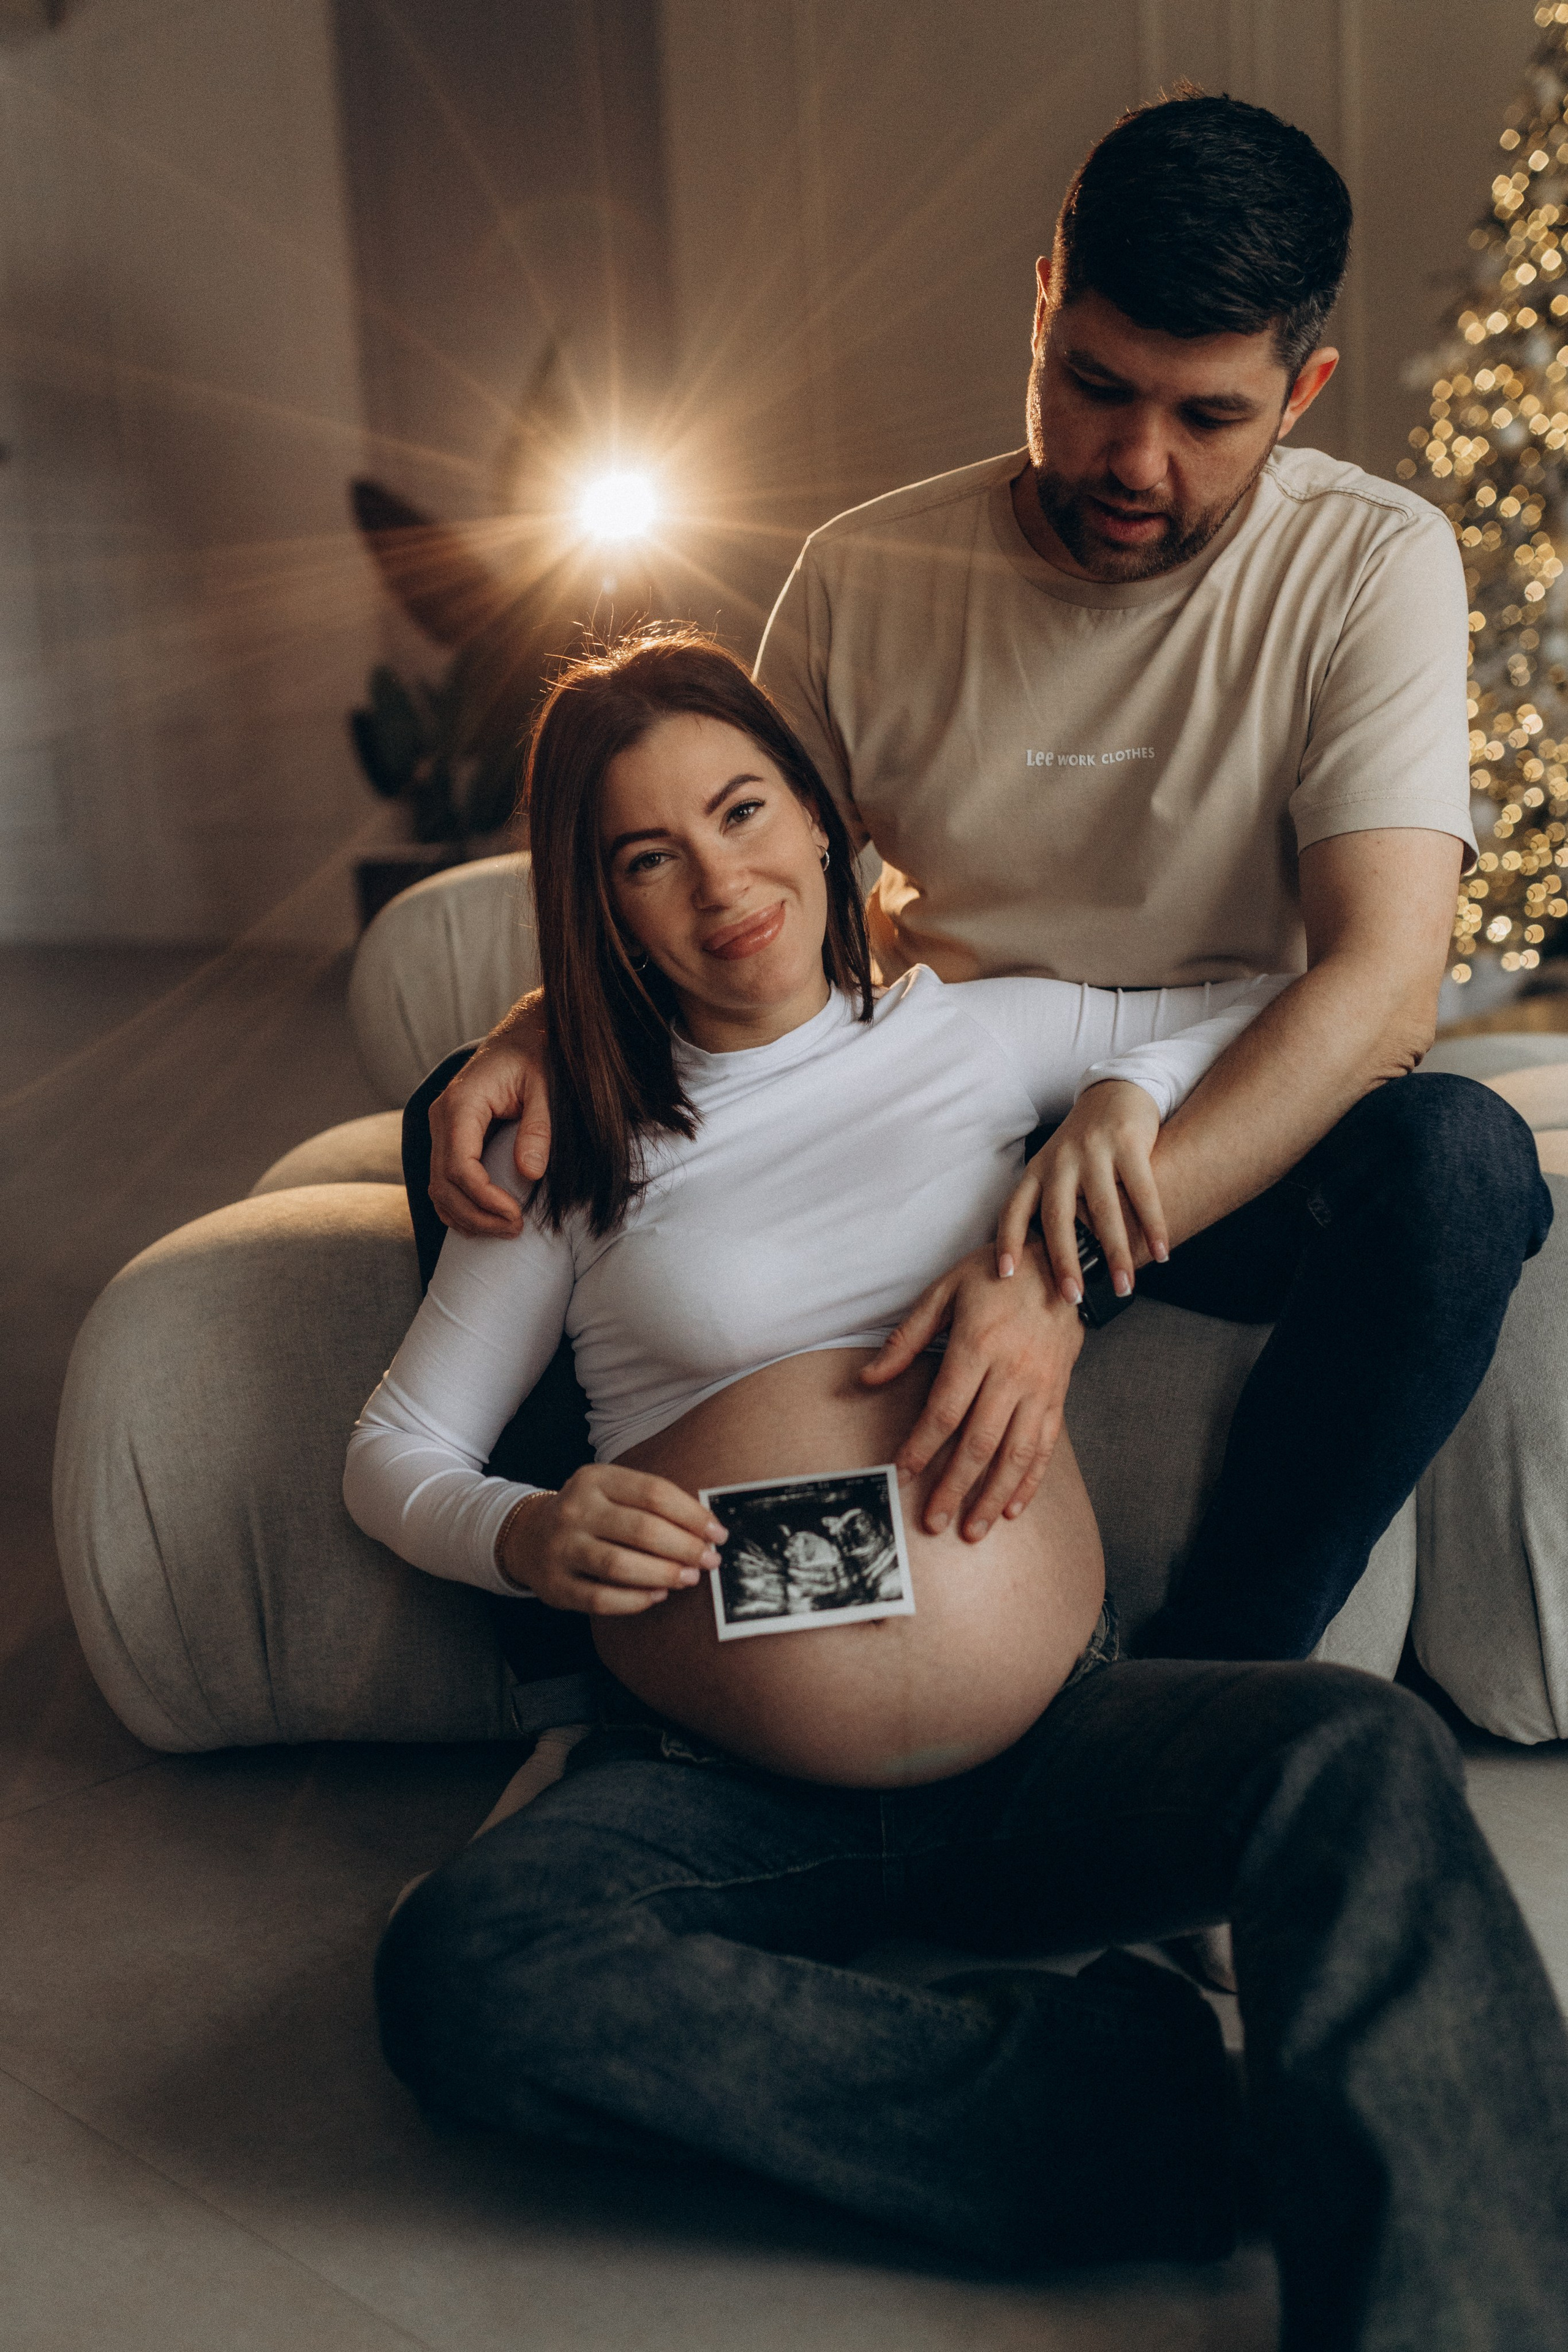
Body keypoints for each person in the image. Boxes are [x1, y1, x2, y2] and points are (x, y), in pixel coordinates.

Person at [350, 633, 1568, 2348]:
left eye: (743, 808)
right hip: (725, 1791)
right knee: (462, 1972)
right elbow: (395, 1453)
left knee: (1354, 1760)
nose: (721, 880)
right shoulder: (579, 1152)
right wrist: (528, 1530)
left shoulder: (985, 1043)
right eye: (647, 857)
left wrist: (1122, 1103)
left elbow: (1295, 997)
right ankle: (1144, 2127)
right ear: (600, 908)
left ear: (823, 819)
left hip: (1055, 1748)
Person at [418, 90, 1552, 1664]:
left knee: (1462, 1162)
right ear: (1039, 310)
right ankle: (606, 1657)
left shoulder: (1373, 564)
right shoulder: (863, 573)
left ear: (1302, 392)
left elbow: (1374, 997)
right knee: (472, 1117)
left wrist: (1060, 1261)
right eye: (1091, 386)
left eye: (1207, 417)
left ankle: (1216, 1681)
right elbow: (739, 863)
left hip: (1220, 1111)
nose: (1133, 460)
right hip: (943, 1110)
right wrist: (546, 1021)